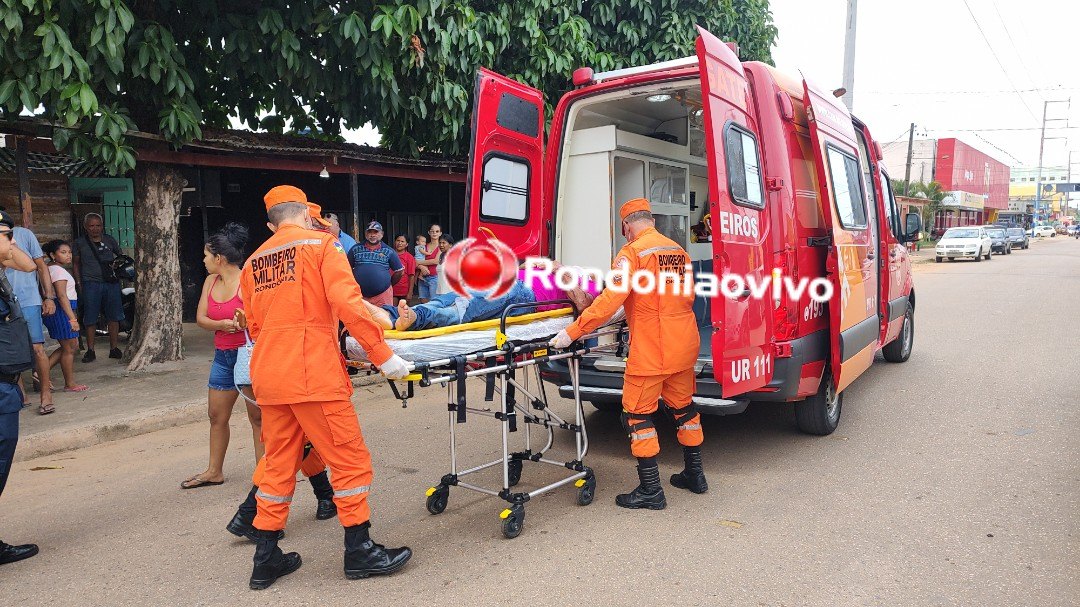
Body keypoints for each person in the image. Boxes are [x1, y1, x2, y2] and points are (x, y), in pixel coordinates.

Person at [239, 185, 412, 590]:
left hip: (270, 374)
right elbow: (348, 304)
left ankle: (265, 558)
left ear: (273, 221)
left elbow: (254, 326)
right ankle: (360, 550)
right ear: (305, 214)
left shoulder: (253, 262)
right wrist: (382, 355)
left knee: (279, 464)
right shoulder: (322, 246)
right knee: (349, 461)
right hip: (312, 374)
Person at [550, 198, 705, 510]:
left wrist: (573, 332)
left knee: (636, 414)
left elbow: (609, 300)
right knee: (684, 410)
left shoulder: (632, 252)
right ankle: (694, 474)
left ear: (626, 225)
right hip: (684, 345)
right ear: (651, 220)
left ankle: (651, 491)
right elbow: (679, 296)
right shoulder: (677, 251)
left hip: (652, 350)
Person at [181, 223, 262, 489]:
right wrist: (224, 325)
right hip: (223, 356)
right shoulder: (210, 281)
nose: (203, 261)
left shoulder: (250, 279)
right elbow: (201, 318)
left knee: (258, 418)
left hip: (249, 356)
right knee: (216, 416)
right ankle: (214, 471)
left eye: (206, 256)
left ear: (219, 258)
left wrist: (244, 322)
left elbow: (262, 318)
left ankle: (265, 475)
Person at [0, 208, 40, 565]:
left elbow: (28, 265)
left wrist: (6, 245)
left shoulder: (4, 272)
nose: (11, 244)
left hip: (6, 386)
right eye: (5, 236)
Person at [3, 218, 56, 414]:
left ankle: (45, 394)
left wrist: (49, 297)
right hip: (4, 303)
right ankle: (22, 394)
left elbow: (38, 266)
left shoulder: (23, 235)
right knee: (10, 350)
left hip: (28, 299)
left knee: (37, 348)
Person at [72, 213, 124, 363]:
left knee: (114, 316)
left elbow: (120, 256)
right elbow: (76, 264)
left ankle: (114, 348)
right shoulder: (79, 243)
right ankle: (90, 350)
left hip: (111, 283)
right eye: (91, 226)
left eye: (98, 225)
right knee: (90, 317)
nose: (95, 229)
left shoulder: (109, 240)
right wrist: (79, 283)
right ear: (85, 227)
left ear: (102, 226)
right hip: (90, 283)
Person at [40, 241, 87, 393]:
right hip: (61, 311)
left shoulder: (53, 269)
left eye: (69, 252)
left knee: (70, 346)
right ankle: (69, 384)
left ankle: (40, 372)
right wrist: (72, 318)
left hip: (63, 310)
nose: (68, 255)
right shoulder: (57, 271)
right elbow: (61, 296)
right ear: (53, 255)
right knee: (69, 348)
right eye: (63, 252)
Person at [346, 221, 403, 307]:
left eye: (376, 232)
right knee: (361, 320)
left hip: (382, 296)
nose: (372, 235)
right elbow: (346, 268)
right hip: (360, 296)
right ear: (365, 233)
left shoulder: (389, 251)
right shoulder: (355, 249)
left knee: (384, 319)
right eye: (370, 232)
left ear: (382, 234)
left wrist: (389, 283)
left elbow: (399, 271)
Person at [415, 224, 442, 302]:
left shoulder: (441, 246)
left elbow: (436, 261)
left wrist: (419, 263)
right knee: (423, 301)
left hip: (435, 277)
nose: (434, 233)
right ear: (429, 232)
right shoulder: (423, 246)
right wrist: (421, 267)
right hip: (422, 278)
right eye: (432, 231)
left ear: (440, 233)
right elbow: (415, 261)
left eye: (437, 231)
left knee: (434, 302)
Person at [391, 234, 416, 305]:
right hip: (391, 290)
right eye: (398, 240)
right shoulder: (390, 255)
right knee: (393, 312)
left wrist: (410, 293)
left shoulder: (409, 257)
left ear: (406, 244)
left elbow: (411, 276)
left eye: (402, 241)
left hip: (404, 291)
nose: (400, 243)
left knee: (403, 313)